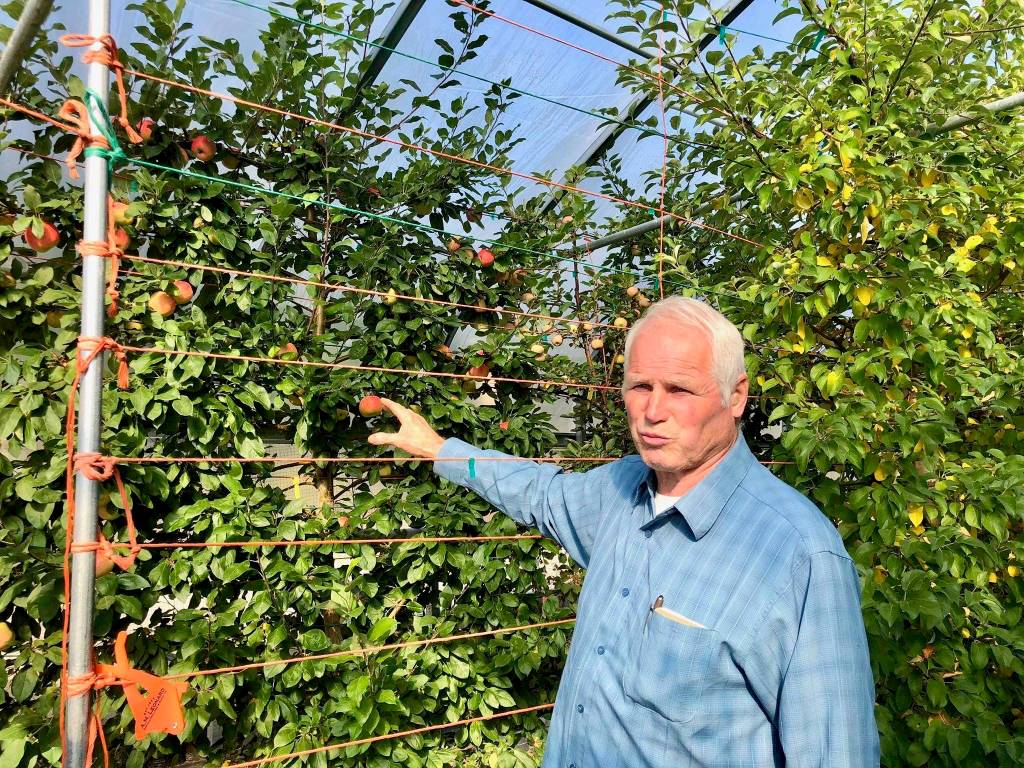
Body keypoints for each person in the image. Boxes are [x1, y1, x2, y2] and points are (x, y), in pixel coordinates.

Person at [367, 296, 880, 767]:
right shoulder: (618, 490)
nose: (653, 412)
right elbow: (539, 492)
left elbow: (836, 753)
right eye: (640, 386)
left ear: (736, 395)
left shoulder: (797, 556)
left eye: (679, 389)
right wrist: (443, 451)